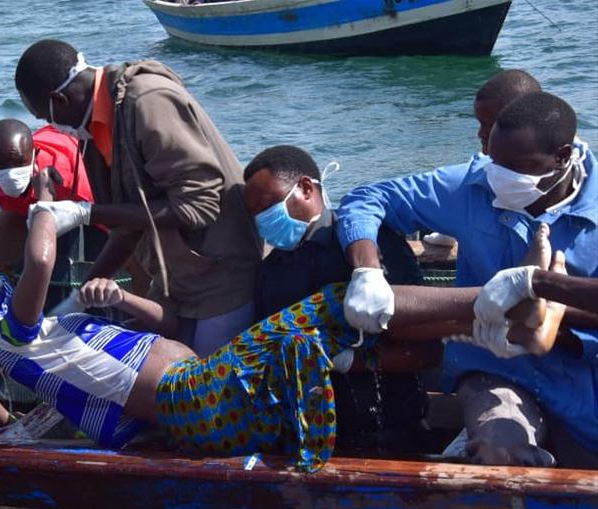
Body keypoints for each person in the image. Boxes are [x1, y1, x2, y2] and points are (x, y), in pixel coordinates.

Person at [0, 168, 565, 472]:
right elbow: (43, 257)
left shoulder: (54, 342)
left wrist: (119, 302)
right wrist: (49, 204)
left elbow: (161, 331)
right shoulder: (12, 336)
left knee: (326, 320)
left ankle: (503, 322)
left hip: (205, 400)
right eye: (5, 283)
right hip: (198, 397)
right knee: (331, 307)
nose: (14, 281)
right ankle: (512, 300)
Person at [336, 92, 598, 468]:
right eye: (495, 162)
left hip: (581, 373)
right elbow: (367, 198)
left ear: (562, 156)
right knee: (501, 453)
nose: (499, 177)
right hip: (497, 370)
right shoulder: (473, 185)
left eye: (516, 167)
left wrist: (551, 309)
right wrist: (366, 269)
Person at [14, 39, 262, 356]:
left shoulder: (148, 101)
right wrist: (75, 304)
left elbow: (198, 206)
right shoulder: (94, 129)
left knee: (203, 389)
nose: (52, 127)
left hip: (222, 278)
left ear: (59, 99)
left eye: (45, 117)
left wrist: (87, 213)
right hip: (177, 281)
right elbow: (127, 229)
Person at [244, 145, 431, 453]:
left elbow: (427, 353)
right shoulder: (269, 271)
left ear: (305, 188)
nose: (263, 220)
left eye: (268, 206)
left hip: (391, 430)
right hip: (303, 438)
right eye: (255, 215)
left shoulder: (369, 247)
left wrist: (345, 362)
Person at [424, 69, 542, 247]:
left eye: (491, 125)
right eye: (481, 124)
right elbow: (375, 196)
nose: (480, 133)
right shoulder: (472, 176)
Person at [0, 119, 97, 273]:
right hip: (21, 206)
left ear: (35, 155)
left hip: (75, 169)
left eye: (19, 163)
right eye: (1, 164)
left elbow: (114, 220)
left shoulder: (71, 179)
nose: (10, 173)